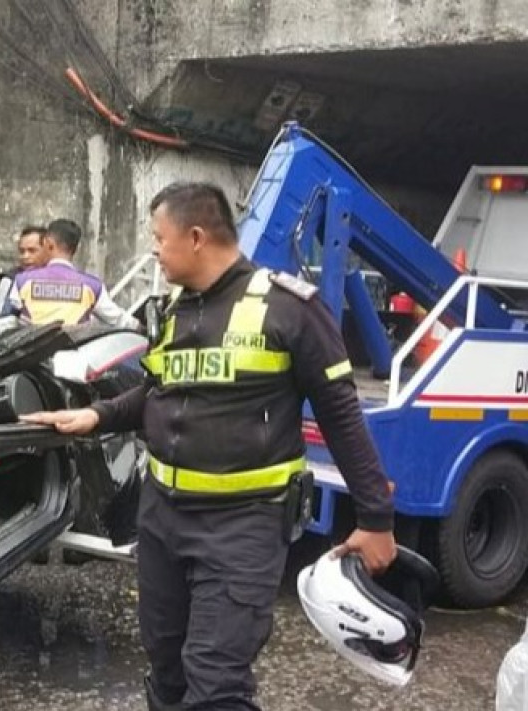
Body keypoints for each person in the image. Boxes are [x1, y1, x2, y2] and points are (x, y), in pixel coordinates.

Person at [21, 183, 397, 711]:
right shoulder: (174, 310)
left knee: (216, 682)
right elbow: (157, 391)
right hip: (163, 522)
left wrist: (376, 517)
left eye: (159, 237)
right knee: (167, 670)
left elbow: (341, 416)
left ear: (196, 237)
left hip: (243, 526)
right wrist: (95, 415)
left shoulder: (288, 309)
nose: (153, 249)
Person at [0, 219, 139, 332]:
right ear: (75, 248)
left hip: (33, 363)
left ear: (48, 244)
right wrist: (142, 328)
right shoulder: (93, 286)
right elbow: (119, 320)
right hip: (75, 360)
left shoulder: (22, 281)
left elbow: (4, 325)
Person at [0, 225, 49, 328]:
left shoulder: (59, 278)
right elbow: (5, 326)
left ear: (48, 251)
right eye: (22, 251)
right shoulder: (10, 281)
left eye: (32, 251)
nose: (25, 256)